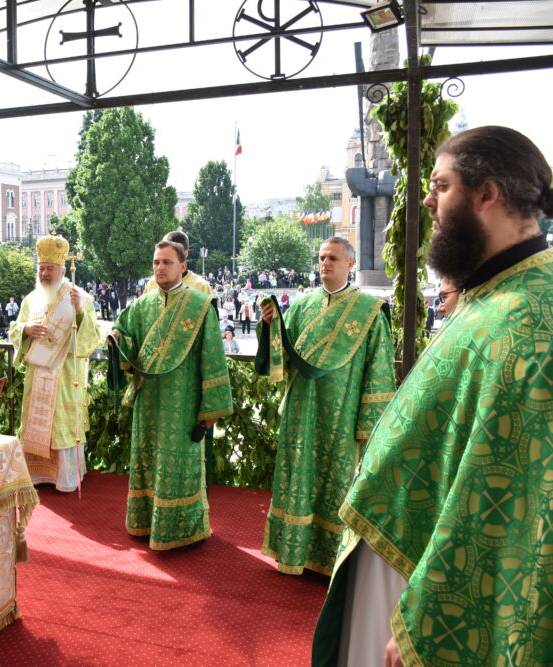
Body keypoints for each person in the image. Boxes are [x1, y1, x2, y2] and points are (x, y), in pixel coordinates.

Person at [313, 126, 553, 667]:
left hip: (420, 588)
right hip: (399, 553)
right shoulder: (495, 291)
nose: (426, 199)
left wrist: (432, 614)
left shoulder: (530, 321)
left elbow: (503, 496)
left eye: (441, 185)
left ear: (486, 194)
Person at [255, 237, 396, 576]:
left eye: (332, 258)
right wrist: (270, 326)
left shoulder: (370, 312)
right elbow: (283, 362)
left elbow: (378, 372)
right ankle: (294, 555)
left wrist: (368, 427)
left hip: (343, 417)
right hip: (301, 410)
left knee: (336, 483)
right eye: (321, 258)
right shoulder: (301, 307)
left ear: (350, 264)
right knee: (298, 479)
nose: (325, 263)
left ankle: (330, 561)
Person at [110, 240, 233, 550]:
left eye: (166, 262)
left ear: (183, 266)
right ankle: (145, 522)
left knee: (180, 466)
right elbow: (126, 340)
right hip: (148, 401)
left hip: (184, 403)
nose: (159, 268)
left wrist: (210, 410)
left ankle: (182, 529)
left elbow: (213, 357)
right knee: (148, 459)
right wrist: (116, 339)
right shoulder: (140, 305)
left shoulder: (201, 304)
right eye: (156, 262)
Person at [9, 235, 98, 493]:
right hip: (37, 374)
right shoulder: (31, 299)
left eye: (49, 268)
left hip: (64, 376)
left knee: (61, 423)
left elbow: (91, 337)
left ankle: (65, 477)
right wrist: (26, 328)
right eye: (41, 268)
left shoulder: (78, 297)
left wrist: (79, 312)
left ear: (62, 270)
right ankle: (37, 473)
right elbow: (15, 327)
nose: (44, 273)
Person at [142, 230, 211, 294]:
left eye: (167, 262)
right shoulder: (152, 283)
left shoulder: (201, 286)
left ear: (185, 254)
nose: (161, 267)